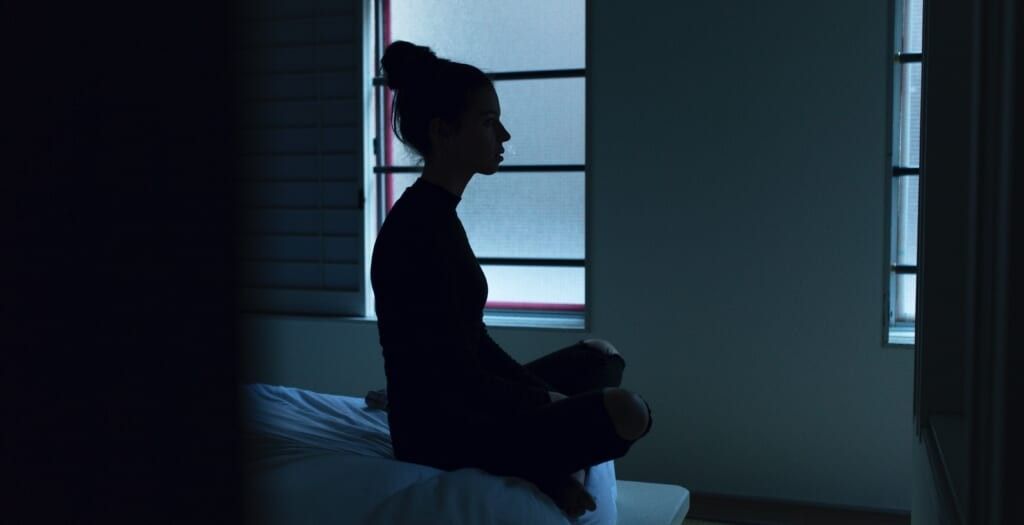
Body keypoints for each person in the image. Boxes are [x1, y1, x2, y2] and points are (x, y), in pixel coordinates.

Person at [370, 40, 653, 519]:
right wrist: (542, 398)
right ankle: (542, 469)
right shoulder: (416, 232)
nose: (503, 134)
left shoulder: (437, 215)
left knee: (600, 357)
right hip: (438, 431)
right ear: (444, 132)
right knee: (629, 412)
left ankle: (545, 462)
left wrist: (538, 392)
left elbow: (474, 342)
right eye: (487, 122)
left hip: (465, 403)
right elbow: (455, 376)